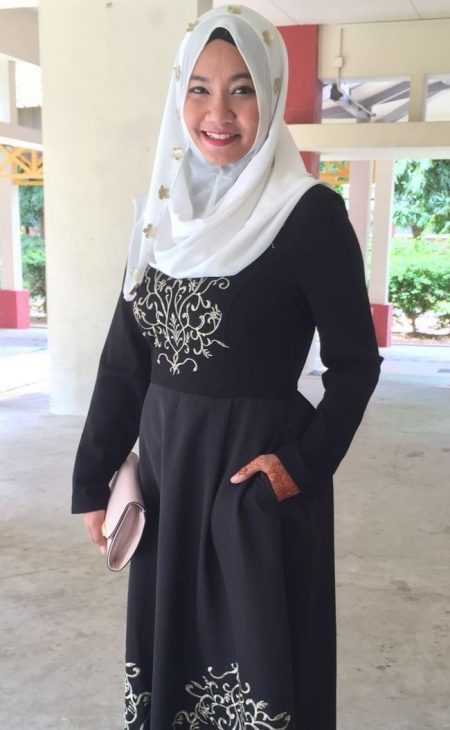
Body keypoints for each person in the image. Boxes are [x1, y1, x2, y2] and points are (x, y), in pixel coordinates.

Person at [72, 5, 382, 729]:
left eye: (242, 89)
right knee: (172, 660)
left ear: (270, 95)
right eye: (200, 88)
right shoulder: (162, 217)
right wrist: (94, 479)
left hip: (250, 482)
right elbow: (125, 362)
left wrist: (298, 466)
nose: (219, 113)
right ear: (178, 95)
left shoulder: (308, 214)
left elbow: (355, 363)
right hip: (168, 478)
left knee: (255, 666)